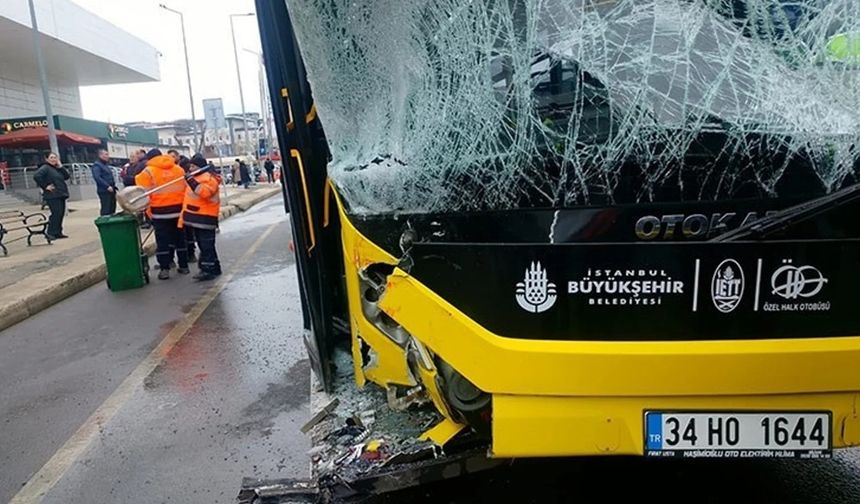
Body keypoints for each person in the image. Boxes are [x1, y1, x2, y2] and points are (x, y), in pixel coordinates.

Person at [135, 154, 189, 279]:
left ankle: (165, 269)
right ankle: (184, 266)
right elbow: (186, 189)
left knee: (162, 241)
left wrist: (149, 213)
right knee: (180, 239)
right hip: (178, 211)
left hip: (160, 212)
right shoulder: (178, 169)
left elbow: (142, 194)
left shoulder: (148, 172)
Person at [181, 154, 222, 281]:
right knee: (204, 244)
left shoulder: (208, 179)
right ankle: (214, 266)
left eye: (193, 166)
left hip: (205, 217)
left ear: (200, 166)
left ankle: (208, 269)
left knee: (206, 245)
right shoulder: (197, 177)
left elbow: (204, 193)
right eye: (190, 166)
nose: (190, 168)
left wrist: (191, 181)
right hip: (197, 218)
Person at [32, 152, 71, 240]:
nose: (54, 159)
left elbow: (66, 176)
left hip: (61, 194)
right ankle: (51, 233)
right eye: (51, 157)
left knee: (60, 214)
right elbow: (37, 176)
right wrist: (45, 186)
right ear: (47, 159)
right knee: (56, 214)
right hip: (52, 195)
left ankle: (58, 232)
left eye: (55, 158)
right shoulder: (45, 168)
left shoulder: (57, 169)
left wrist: (61, 167)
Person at [92, 148, 118, 216]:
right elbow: (97, 177)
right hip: (104, 191)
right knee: (106, 209)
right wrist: (107, 186)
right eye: (106, 154)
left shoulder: (105, 165)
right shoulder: (97, 165)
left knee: (112, 208)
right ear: (100, 155)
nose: (108, 156)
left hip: (111, 190)